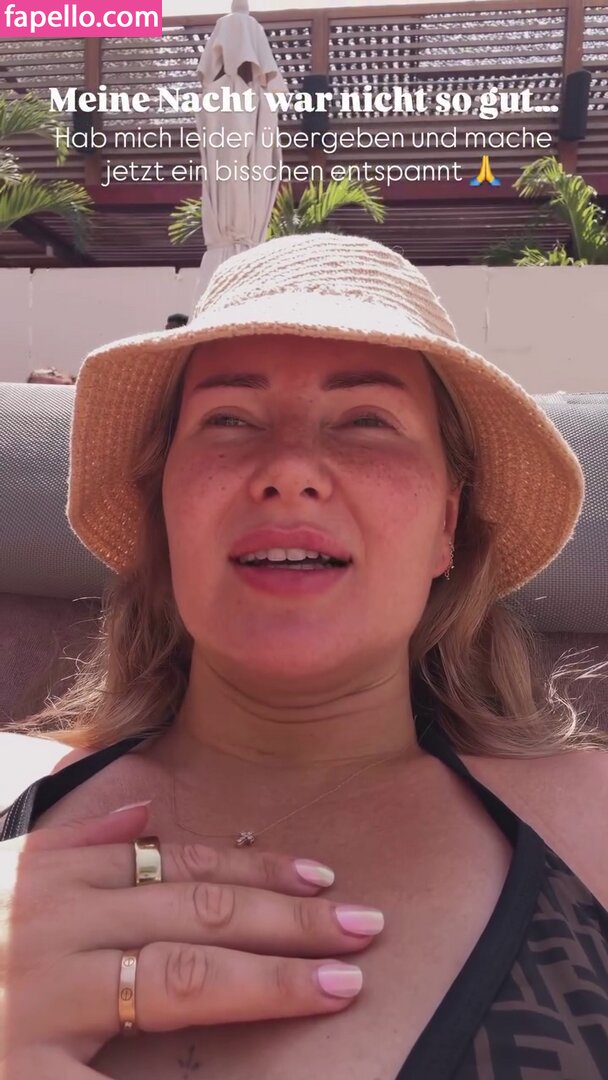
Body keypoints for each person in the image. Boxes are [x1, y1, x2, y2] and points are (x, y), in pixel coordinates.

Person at [1, 232, 607, 1080]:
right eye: (229, 420)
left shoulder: (592, 824)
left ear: (446, 524)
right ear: (163, 507)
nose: (289, 469)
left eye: (365, 421)